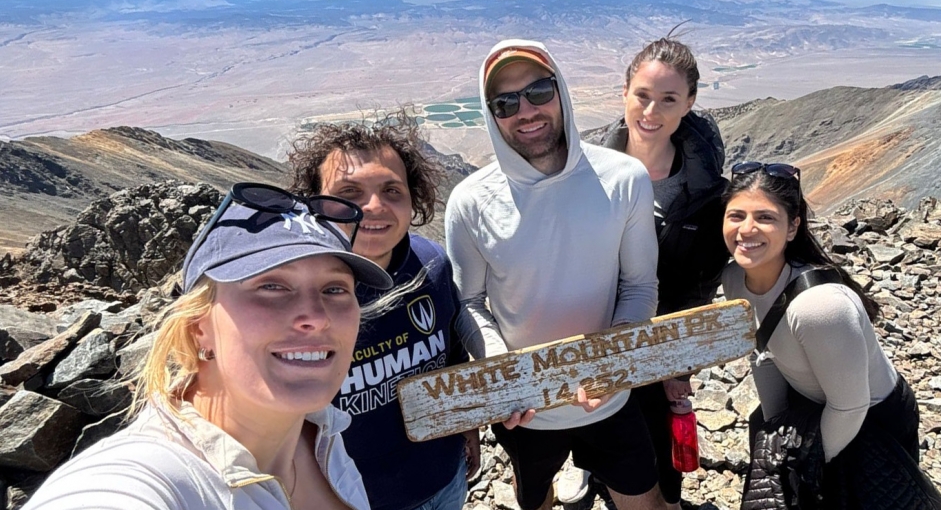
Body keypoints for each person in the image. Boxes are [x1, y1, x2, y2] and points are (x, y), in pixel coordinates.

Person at [25, 182, 395, 510]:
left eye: (334, 289)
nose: (315, 316)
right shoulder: (139, 480)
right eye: (271, 286)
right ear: (198, 326)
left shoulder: (321, 433)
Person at [445, 39, 665, 510]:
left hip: (612, 398)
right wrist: (506, 371)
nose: (525, 110)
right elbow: (469, 303)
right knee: (535, 500)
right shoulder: (469, 201)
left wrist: (612, 361)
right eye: (505, 102)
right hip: (524, 411)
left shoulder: (624, 179)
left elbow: (640, 284)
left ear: (561, 91)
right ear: (491, 114)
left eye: (538, 91)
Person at [720, 162, 941, 507]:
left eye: (765, 217)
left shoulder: (820, 307)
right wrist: (776, 426)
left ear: (793, 227)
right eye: (736, 215)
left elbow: (850, 405)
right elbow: (761, 351)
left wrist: (806, 467)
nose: (746, 229)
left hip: (869, 419)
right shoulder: (735, 278)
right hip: (810, 404)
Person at [287, 115, 480, 510]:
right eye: (349, 191)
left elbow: (452, 350)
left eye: (392, 190)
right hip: (355, 499)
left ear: (414, 200)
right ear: (316, 204)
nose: (373, 207)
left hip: (445, 479)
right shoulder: (294, 296)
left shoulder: (431, 263)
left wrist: (469, 425)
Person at [583, 35, 729, 510]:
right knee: (601, 443)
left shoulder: (705, 193)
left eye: (669, 99)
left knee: (657, 470)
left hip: (657, 347)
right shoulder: (584, 173)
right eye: (642, 95)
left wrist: (677, 367)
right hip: (591, 337)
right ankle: (592, 476)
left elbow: (699, 286)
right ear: (624, 92)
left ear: (689, 104)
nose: (652, 110)